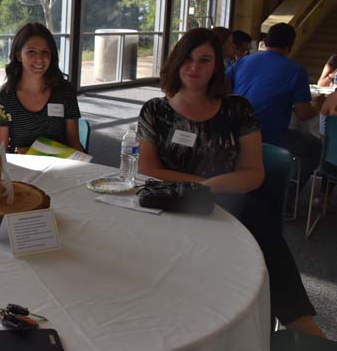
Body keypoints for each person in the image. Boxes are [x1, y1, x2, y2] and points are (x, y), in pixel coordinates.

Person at [137, 27, 323, 337]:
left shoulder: (238, 109)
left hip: (227, 202)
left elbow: (253, 173)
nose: (195, 67)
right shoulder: (156, 110)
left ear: (217, 66)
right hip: (167, 200)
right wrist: (200, 183)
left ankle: (301, 325)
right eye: (188, 59)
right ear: (176, 62)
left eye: (205, 60)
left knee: (258, 224)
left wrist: (213, 188)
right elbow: (147, 168)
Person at [226, 23, 325, 187]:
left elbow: (221, 87)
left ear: (265, 41)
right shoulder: (296, 70)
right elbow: (303, 114)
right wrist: (318, 104)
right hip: (270, 136)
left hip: (233, 130)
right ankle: (288, 195)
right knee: (315, 148)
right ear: (290, 46)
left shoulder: (243, 61)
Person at [0, 22, 82, 153]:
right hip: (22, 169)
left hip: (59, 168)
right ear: (19, 56)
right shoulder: (4, 97)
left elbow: (74, 142)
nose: (39, 59)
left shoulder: (65, 91)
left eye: (45, 52)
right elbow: (0, 151)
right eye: (31, 51)